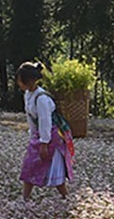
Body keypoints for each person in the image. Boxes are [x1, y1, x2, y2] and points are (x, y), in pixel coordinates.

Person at [17, 61, 73, 199]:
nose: (18, 83)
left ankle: (65, 196)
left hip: (52, 135)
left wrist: (44, 143)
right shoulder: (28, 95)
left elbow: (45, 121)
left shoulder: (41, 98)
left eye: (20, 80)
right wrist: (33, 137)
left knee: (54, 169)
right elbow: (31, 119)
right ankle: (25, 198)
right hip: (40, 134)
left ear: (28, 80)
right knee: (30, 165)